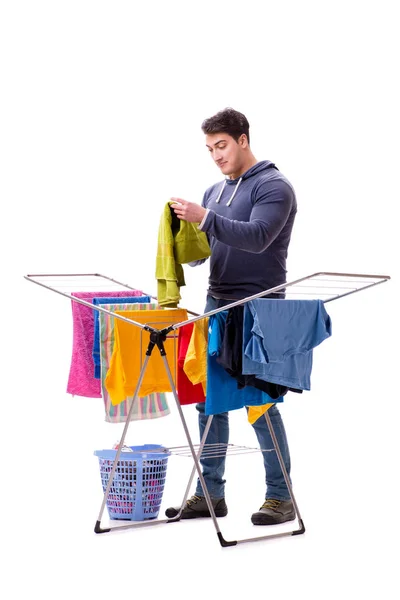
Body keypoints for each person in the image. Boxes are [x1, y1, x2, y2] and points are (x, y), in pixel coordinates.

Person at [166, 107, 297, 525]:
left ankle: (280, 497)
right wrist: (182, 237)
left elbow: (258, 238)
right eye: (209, 149)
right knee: (209, 401)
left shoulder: (275, 187)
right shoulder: (213, 191)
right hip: (216, 304)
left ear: (243, 139)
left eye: (221, 145)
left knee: (259, 402)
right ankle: (210, 495)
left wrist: (205, 219)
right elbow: (209, 252)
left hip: (260, 308)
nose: (216, 155)